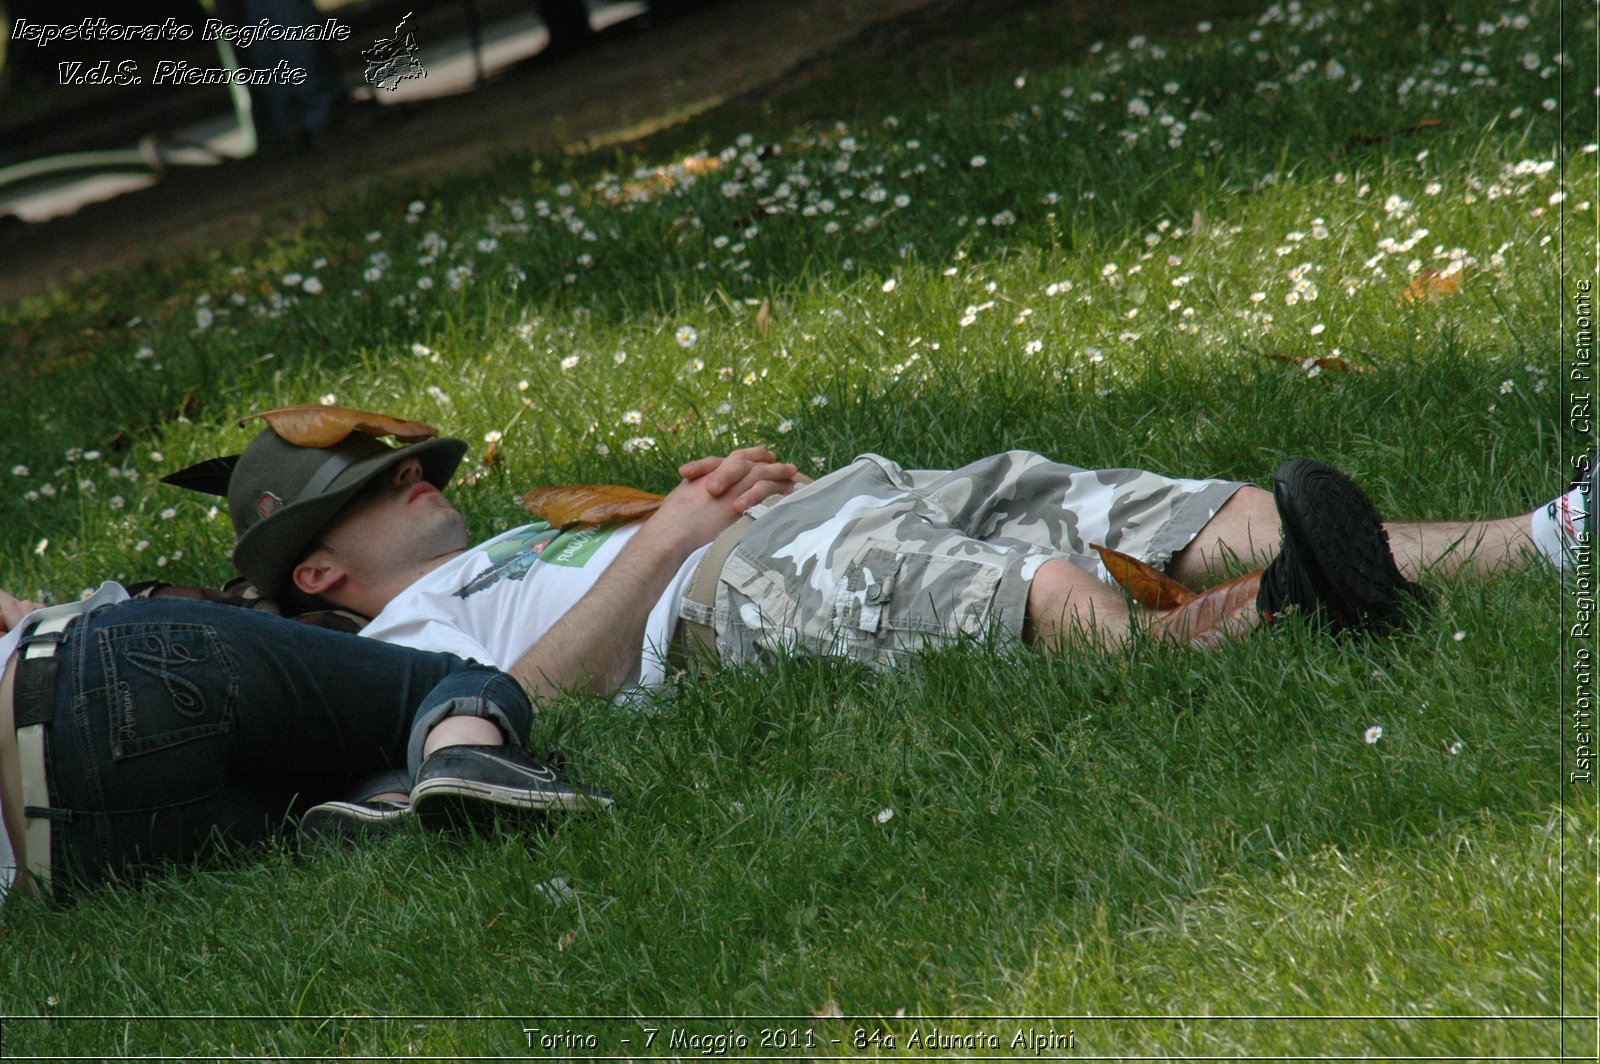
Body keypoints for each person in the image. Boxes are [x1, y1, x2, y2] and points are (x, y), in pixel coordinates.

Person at [194, 405, 1573, 708]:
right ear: (317, 573)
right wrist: (681, 536)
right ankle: (1270, 621)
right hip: (727, 600)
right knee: (1025, 593)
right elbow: (529, 699)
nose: (430, 478)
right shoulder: (392, 654)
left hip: (804, 519)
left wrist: (704, 495)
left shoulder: (493, 543)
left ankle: (1549, 537)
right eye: (392, 487)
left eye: (423, 462)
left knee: (1155, 511)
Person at [0, 582, 607, 905]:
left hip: (65, 858)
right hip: (77, 669)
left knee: (312, 799)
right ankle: (464, 755)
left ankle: (391, 801)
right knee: (448, 677)